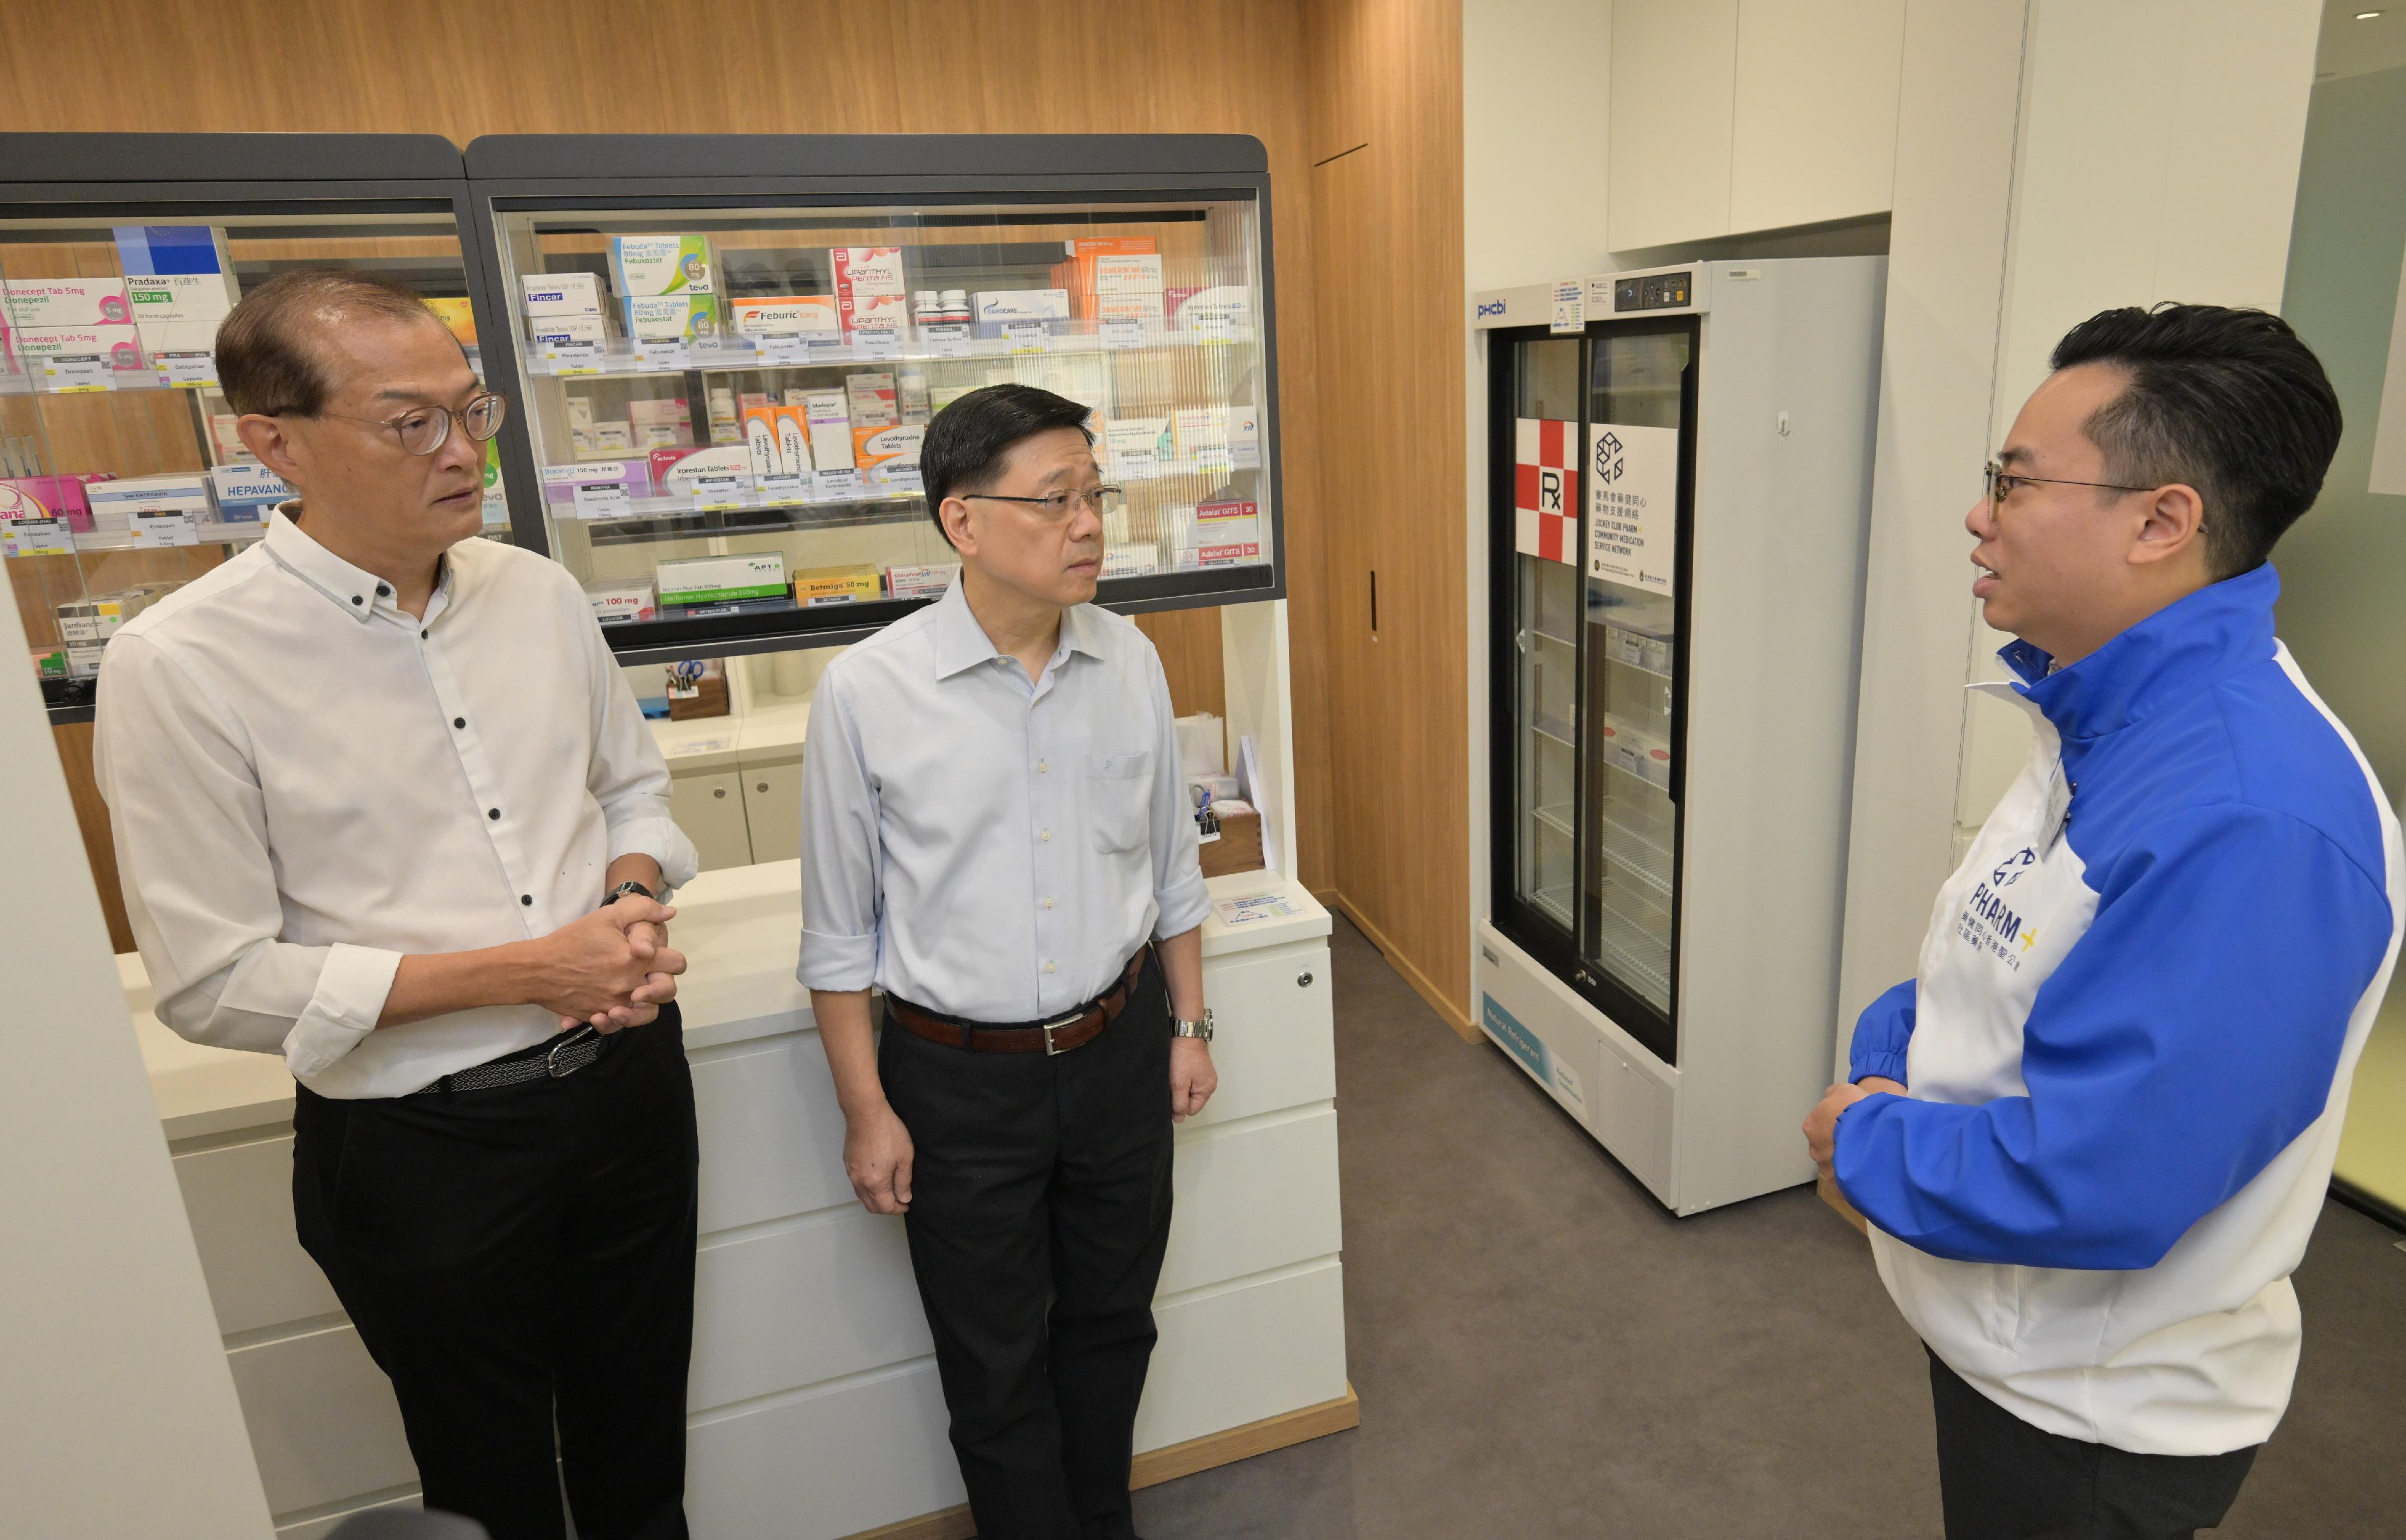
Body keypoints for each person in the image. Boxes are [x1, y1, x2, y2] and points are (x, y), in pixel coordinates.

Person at [94, 268, 702, 1540]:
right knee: (489, 1489)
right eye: (406, 421)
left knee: (641, 1452)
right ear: (270, 442)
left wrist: (631, 905)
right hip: (425, 1146)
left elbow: (630, 794)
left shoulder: (533, 593)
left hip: (628, 1090)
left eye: (468, 411)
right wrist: (534, 971)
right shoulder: (185, 662)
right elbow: (214, 980)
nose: (458, 450)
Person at [1804, 304, 2402, 1539]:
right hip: (2002, 1343)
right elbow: (1986, 961)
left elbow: (2108, 1177)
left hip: (2089, 1415)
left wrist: (1859, 1145)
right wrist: (1882, 1067)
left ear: (2160, 521)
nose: (1978, 515)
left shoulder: (2250, 817)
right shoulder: (2102, 713)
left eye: (2011, 483)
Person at [799, 383, 1219, 1540]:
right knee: (992, 1361)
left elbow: (1170, 865)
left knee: (1112, 1322)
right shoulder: (868, 693)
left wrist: (1189, 1025)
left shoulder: (1129, 659)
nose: (1089, 524)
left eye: (1096, 494)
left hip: (1118, 1050)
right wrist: (866, 1109)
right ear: (963, 522)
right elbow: (839, 937)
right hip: (956, 1080)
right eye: (1055, 501)